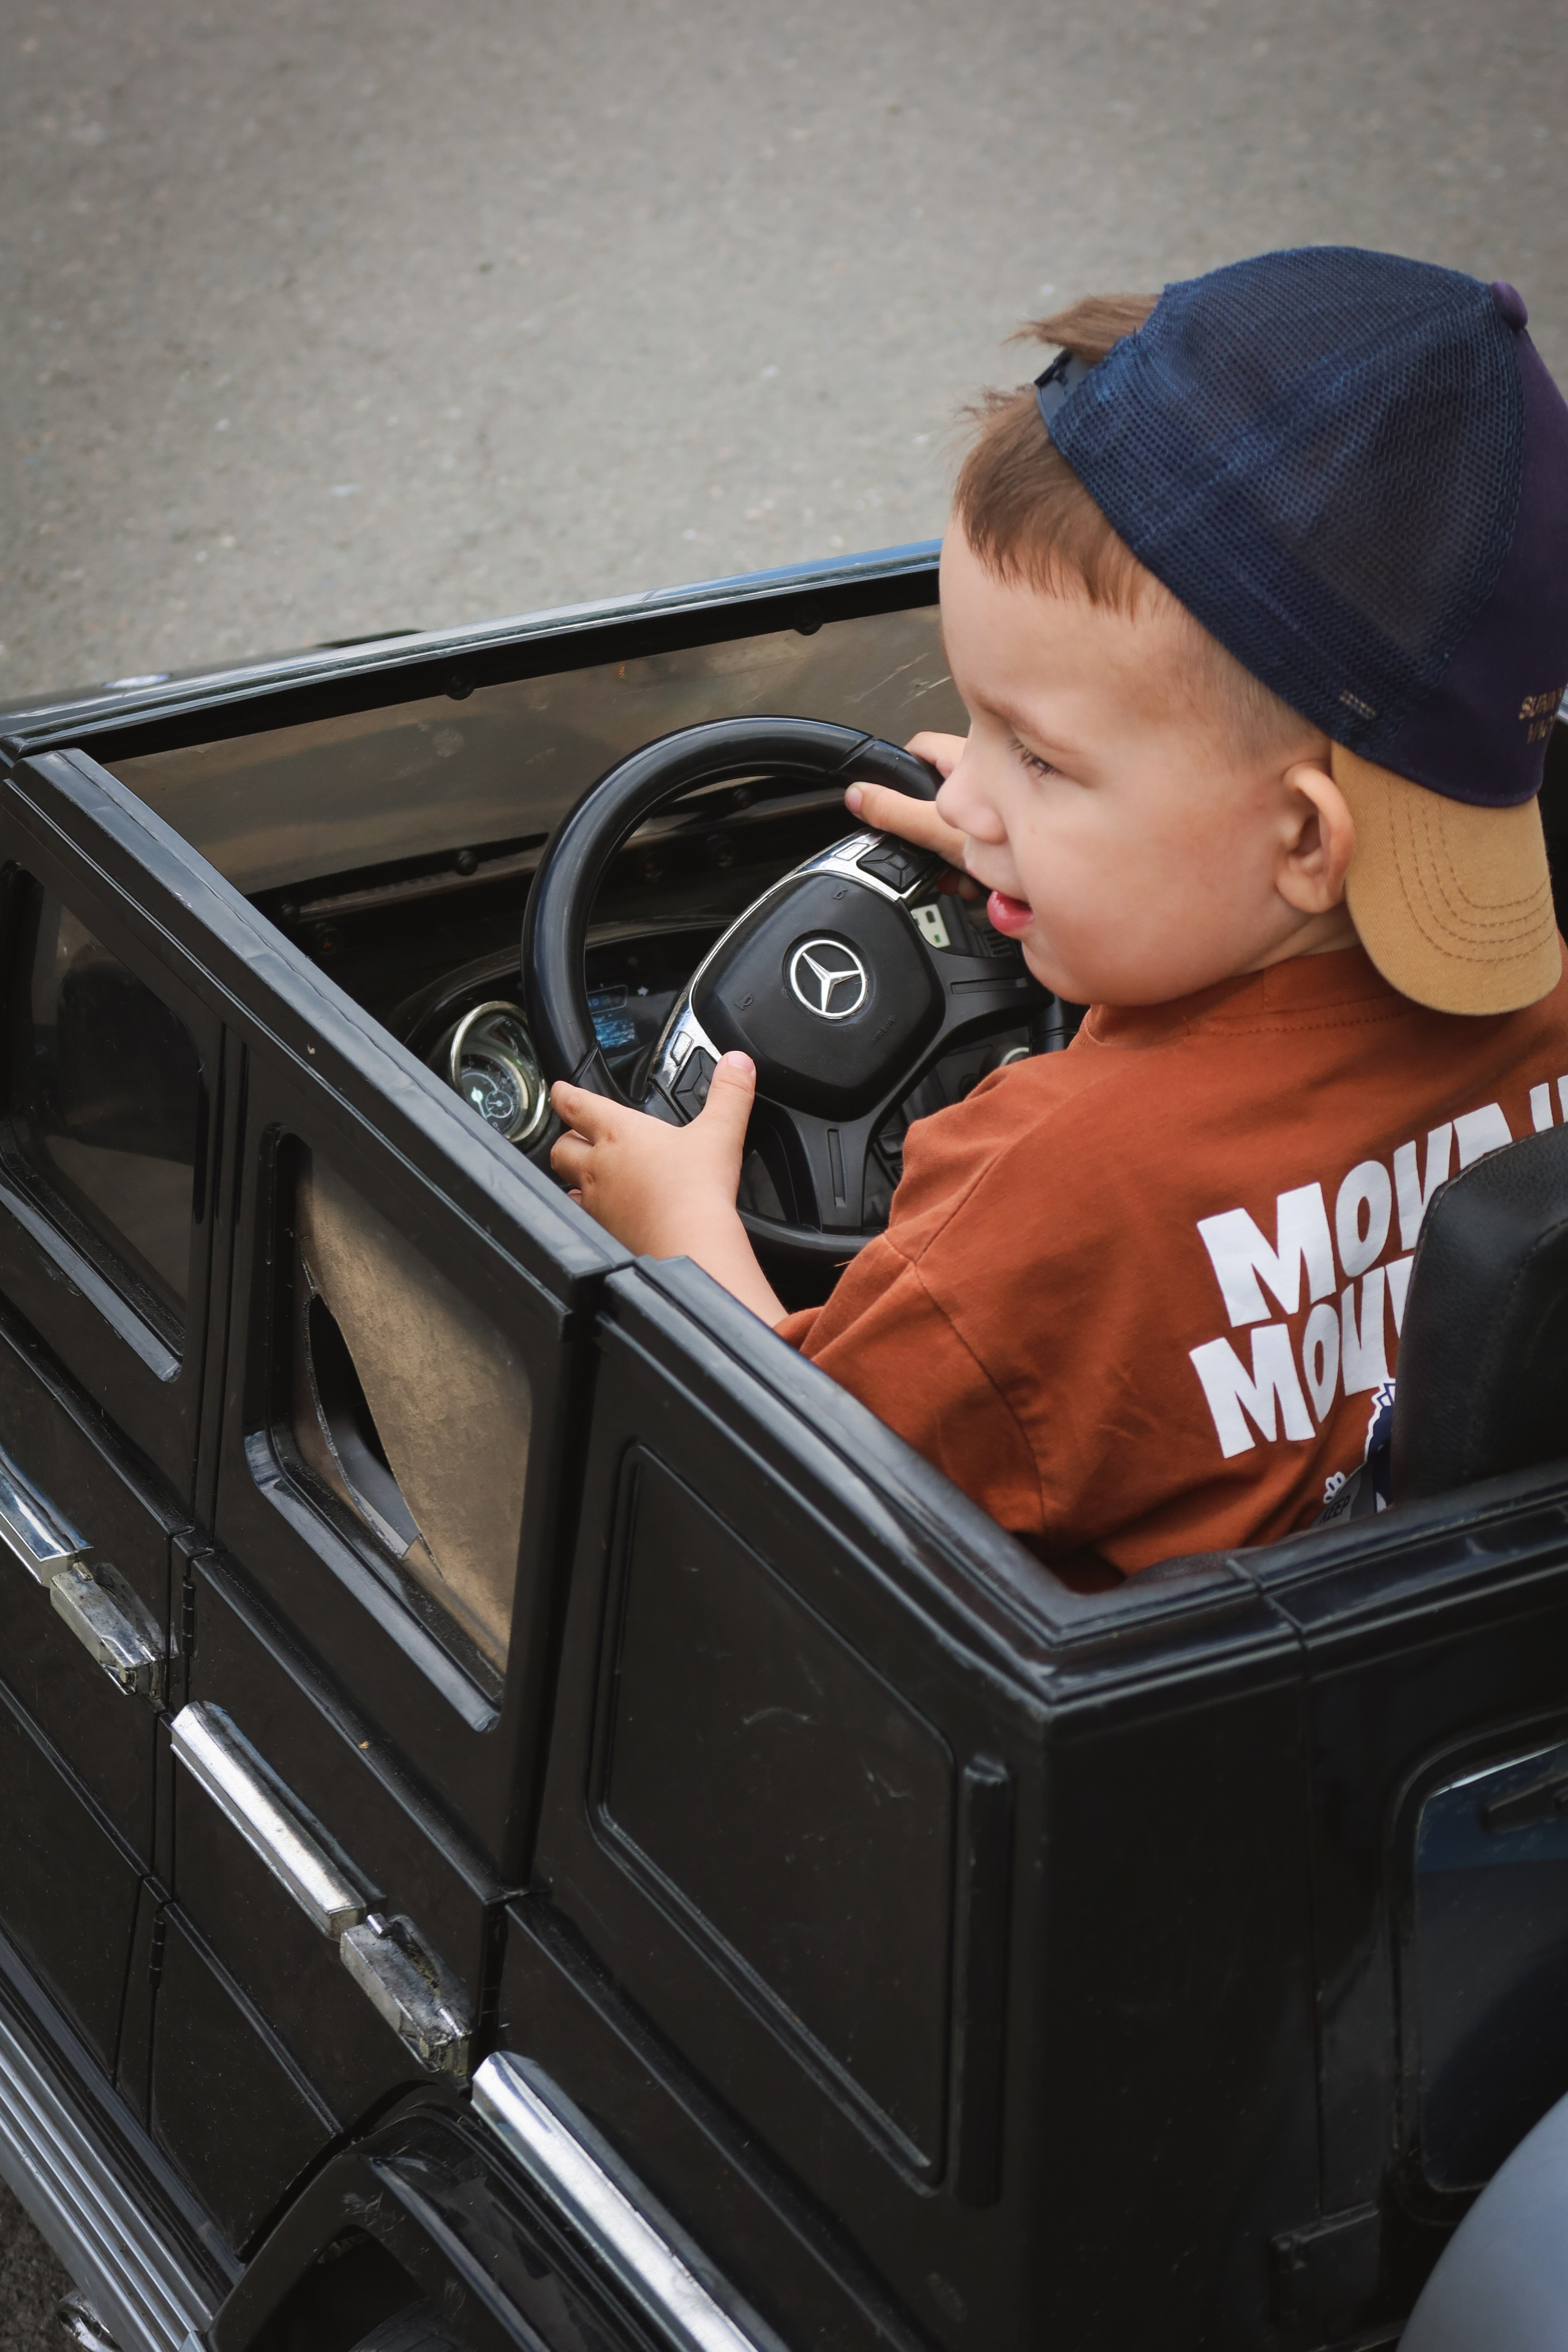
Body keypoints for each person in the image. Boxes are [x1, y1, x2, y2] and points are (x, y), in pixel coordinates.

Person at [549, 247, 1568, 1581]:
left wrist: (679, 1234)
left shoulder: (1042, 1199)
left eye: (1038, 758)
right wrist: (1045, 851)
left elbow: (803, 1497)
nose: (963, 795)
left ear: (1304, 840)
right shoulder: (1541, 1015)